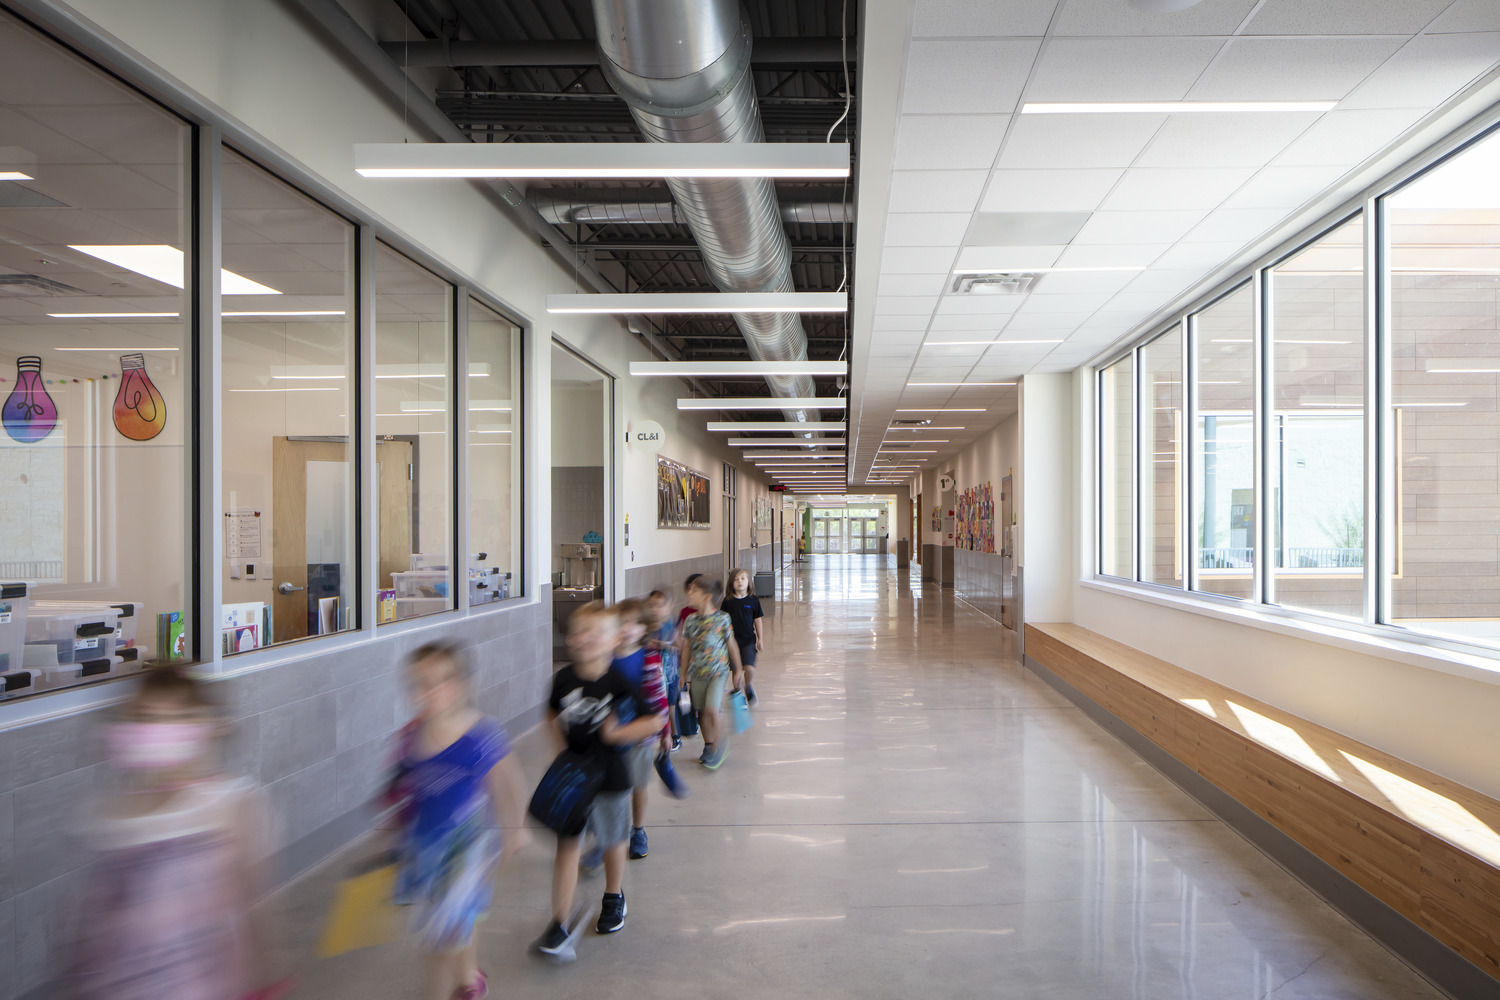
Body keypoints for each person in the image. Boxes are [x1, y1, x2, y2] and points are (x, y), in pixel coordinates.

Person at [61, 664, 290, 1000]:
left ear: (204, 726)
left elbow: (253, 905)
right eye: (144, 716)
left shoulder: (232, 805)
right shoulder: (106, 814)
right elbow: (91, 919)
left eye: (176, 716)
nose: (157, 728)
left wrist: (265, 978)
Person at [389, 643, 528, 1000]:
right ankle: (466, 979)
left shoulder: (479, 734)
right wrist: (394, 831)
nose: (431, 690)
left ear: (462, 684)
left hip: (468, 846)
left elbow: (508, 781)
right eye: (420, 683)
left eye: (443, 680)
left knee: (446, 929)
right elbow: (402, 787)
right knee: (446, 925)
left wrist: (515, 830)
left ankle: (463, 983)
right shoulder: (410, 737)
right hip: (425, 847)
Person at [534, 602, 667, 962]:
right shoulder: (563, 679)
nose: (586, 639)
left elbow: (652, 721)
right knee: (568, 847)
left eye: (597, 632)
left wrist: (617, 733)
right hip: (574, 775)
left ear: (613, 640)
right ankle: (559, 922)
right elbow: (551, 710)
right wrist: (559, 746)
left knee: (612, 840)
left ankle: (614, 895)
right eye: (580, 631)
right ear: (569, 639)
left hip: (610, 775)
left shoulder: (618, 680)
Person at [676, 577, 744, 770]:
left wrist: (737, 669)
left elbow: (732, 645)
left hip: (718, 672)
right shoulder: (690, 620)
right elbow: (687, 649)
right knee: (702, 712)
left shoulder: (722, 618)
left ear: (706, 597)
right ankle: (708, 745)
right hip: (697, 673)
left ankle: (718, 745)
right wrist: (683, 673)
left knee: (712, 710)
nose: (689, 594)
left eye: (693, 591)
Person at [722, 568, 765, 706]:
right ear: (731, 583)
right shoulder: (728, 601)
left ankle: (748, 685)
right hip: (732, 642)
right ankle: (738, 694)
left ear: (748, 582)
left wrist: (760, 639)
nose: (739, 582)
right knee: (736, 671)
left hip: (748, 640)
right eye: (736, 579)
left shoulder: (753, 600)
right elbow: (722, 621)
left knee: (749, 668)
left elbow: (757, 620)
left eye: (743, 579)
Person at [645, 589, 682, 752]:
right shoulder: (647, 626)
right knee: (657, 705)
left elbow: (680, 647)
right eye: (652, 605)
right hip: (654, 675)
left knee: (670, 705)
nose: (655, 609)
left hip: (670, 673)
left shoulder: (672, 625)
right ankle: (658, 733)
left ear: (669, 607)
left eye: (659, 606)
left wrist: (664, 645)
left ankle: (675, 734)